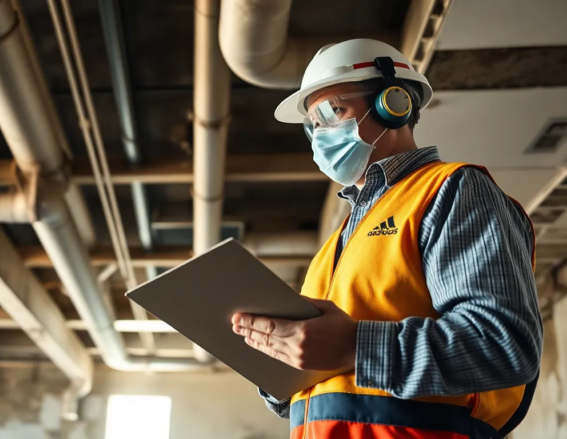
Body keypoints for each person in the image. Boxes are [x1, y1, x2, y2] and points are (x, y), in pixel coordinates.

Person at [231, 39, 542, 439]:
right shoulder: (338, 242)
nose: (320, 133)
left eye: (332, 112)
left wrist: (355, 347)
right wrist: (279, 357)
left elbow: (502, 345)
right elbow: (330, 386)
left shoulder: (451, 190)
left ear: (394, 104)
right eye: (313, 124)